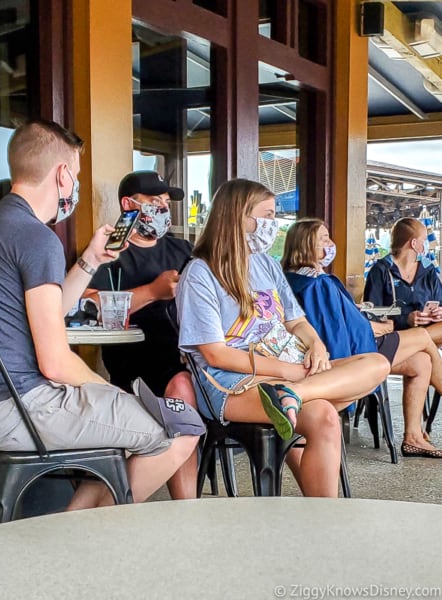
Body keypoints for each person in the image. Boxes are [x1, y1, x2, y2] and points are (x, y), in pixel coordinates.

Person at [0, 120, 204, 511]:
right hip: (21, 404)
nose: (72, 186)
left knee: (126, 423)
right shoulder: (36, 237)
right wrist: (108, 391)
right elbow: (55, 364)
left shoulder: (3, 224)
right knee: (182, 426)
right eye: (73, 175)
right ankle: (85, 531)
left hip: (4, 398)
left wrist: (89, 260)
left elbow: (49, 312)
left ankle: (75, 521)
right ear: (60, 174)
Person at [176, 178, 390, 498]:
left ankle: (294, 395)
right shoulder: (200, 273)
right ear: (239, 217)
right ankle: (325, 521)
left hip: (286, 373)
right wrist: (287, 371)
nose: (273, 225)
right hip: (234, 381)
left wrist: (316, 345)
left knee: (376, 362)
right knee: (324, 414)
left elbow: (296, 321)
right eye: (268, 215)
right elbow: (215, 355)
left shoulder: (266, 263)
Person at [281, 217, 442, 458]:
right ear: (306, 245)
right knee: (421, 337)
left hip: (341, 345)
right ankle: (415, 435)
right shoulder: (319, 283)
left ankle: (413, 438)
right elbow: (340, 331)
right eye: (324, 239)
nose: (331, 244)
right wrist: (382, 329)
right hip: (354, 350)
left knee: (421, 362)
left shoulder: (291, 278)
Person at [83, 170, 197, 499]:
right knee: (181, 385)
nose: (163, 208)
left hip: (189, 351)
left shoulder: (182, 248)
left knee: (189, 378)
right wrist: (152, 291)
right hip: (136, 358)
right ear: (128, 205)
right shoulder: (107, 252)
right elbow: (87, 305)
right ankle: (186, 507)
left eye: (166, 202)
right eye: (154, 201)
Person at [364, 217, 442, 347]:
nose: (426, 245)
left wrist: (439, 312)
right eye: (423, 240)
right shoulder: (380, 271)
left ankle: (418, 341)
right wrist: (406, 319)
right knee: (424, 361)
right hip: (396, 336)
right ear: (414, 243)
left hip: (426, 333)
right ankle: (418, 341)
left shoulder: (428, 271)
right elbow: (371, 314)